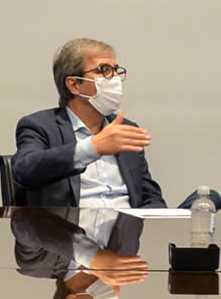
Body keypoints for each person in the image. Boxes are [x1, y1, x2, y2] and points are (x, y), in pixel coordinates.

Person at [12, 38, 166, 209]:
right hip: (70, 232)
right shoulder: (40, 126)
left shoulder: (124, 130)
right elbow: (24, 171)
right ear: (74, 85)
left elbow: (149, 196)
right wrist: (93, 148)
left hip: (126, 231)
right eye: (104, 70)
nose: (114, 78)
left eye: (115, 70)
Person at [8, 207, 149, 299]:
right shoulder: (125, 256)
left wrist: (91, 256)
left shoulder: (37, 263)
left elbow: (22, 221)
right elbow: (140, 202)